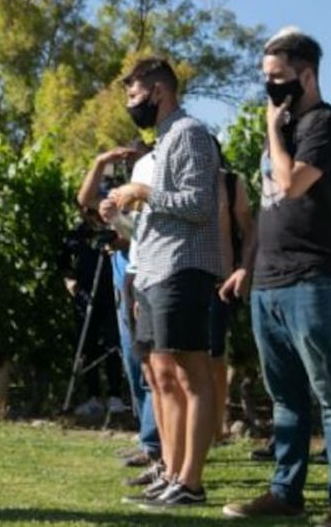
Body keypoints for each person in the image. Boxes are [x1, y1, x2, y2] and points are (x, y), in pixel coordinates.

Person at [221, 28, 331, 527]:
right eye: (265, 80)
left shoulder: (326, 126)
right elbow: (266, 207)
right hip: (269, 282)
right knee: (285, 396)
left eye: (279, 79)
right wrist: (247, 265)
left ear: (307, 75)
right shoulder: (281, 128)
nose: (271, 89)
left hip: (314, 279)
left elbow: (291, 182)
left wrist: (273, 131)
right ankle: (286, 491)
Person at [108, 57, 221, 508]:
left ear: (158, 92)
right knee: (164, 377)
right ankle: (172, 473)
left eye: (134, 95)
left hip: (183, 268)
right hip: (154, 272)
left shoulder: (190, 132)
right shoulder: (164, 141)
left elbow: (197, 204)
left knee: (192, 375)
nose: (131, 105)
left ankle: (192, 483)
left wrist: (143, 192)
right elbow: (158, 220)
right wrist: (120, 214)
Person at [77, 142, 162, 469]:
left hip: (143, 269)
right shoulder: (119, 187)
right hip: (121, 273)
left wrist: (121, 228)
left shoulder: (150, 183)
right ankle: (148, 438)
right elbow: (85, 202)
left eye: (135, 149)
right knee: (132, 360)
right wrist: (101, 161)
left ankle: (157, 444)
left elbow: (139, 233)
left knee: (149, 362)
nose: (128, 155)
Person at [210, 138, 257, 444]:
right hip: (179, 282)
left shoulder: (229, 184)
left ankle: (215, 428)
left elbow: (249, 228)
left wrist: (244, 267)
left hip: (220, 284)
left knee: (215, 357)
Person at [59, 211, 126, 417]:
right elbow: (62, 260)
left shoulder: (115, 231)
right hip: (85, 295)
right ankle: (93, 396)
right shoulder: (77, 232)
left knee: (113, 343)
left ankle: (115, 395)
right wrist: (69, 280)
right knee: (87, 345)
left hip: (111, 293)